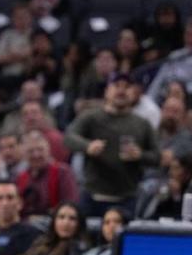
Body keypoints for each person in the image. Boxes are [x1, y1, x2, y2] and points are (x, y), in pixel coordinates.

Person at [66, 72, 159, 217]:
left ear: (134, 92)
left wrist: (140, 155)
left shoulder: (142, 124)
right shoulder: (91, 117)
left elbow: (157, 157)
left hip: (127, 199)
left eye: (126, 86)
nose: (121, 90)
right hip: (93, 197)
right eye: (116, 86)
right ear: (107, 91)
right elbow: (69, 137)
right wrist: (87, 146)